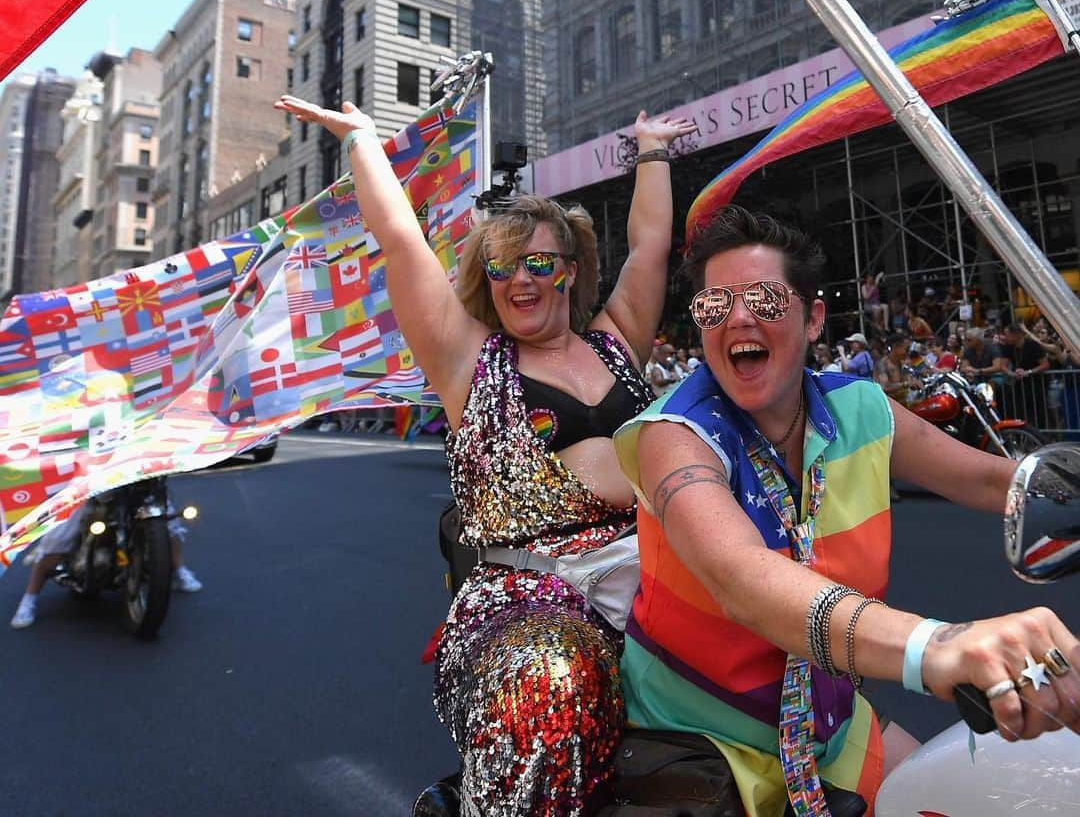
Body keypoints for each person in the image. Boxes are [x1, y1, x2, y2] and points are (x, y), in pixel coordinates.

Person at [274, 93, 695, 816]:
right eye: (503, 268)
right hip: (527, 600)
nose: (521, 280)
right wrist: (365, 143)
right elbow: (402, 243)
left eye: (538, 262)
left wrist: (651, 149)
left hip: (657, 575)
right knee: (547, 680)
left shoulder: (618, 339)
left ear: (569, 268)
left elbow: (651, 245)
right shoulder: (467, 361)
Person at [613, 206, 1079, 817]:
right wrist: (935, 647)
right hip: (700, 752)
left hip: (830, 729)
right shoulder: (673, 435)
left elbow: (998, 480)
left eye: (765, 299)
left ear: (813, 320)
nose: (740, 317)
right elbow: (738, 578)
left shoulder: (862, 408)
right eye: (714, 305)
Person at [10, 491, 201, 629]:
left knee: (170, 523)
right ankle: (29, 599)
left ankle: (178, 569)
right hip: (93, 487)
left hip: (140, 484)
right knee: (58, 539)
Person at [874, 332, 911, 403]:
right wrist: (906, 384)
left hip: (902, 404)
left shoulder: (902, 363)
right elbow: (884, 387)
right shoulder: (882, 364)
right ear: (896, 347)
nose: (908, 352)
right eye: (907, 349)